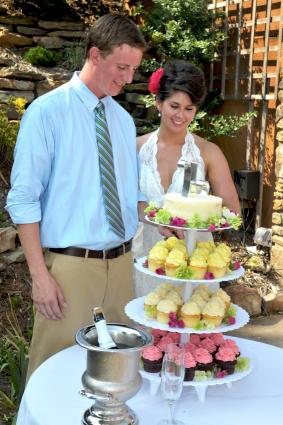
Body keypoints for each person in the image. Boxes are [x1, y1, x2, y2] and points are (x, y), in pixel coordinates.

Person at [6, 13, 147, 380]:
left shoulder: (123, 120)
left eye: (134, 69)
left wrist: (171, 223)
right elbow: (23, 200)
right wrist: (40, 275)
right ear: (95, 55)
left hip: (121, 268)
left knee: (115, 379)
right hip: (69, 270)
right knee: (54, 376)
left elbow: (132, 193)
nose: (129, 78)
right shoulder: (46, 114)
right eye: (122, 66)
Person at [134, 60, 240, 296]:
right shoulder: (135, 149)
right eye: (174, 105)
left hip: (195, 261)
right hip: (145, 258)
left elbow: (233, 211)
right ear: (158, 102)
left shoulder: (208, 152)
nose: (181, 115)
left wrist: (202, 211)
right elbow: (121, 204)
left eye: (189, 109)